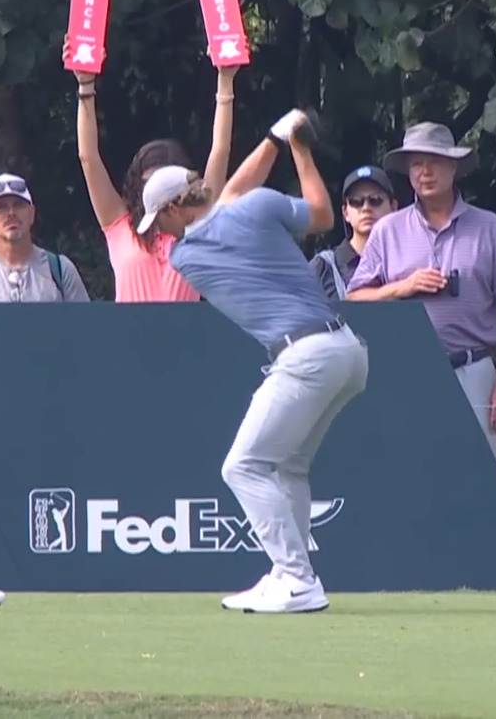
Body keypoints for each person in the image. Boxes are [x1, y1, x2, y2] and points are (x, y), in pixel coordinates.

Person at [142, 109, 368, 614]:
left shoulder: (188, 255)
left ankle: (296, 577)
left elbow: (227, 203)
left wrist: (276, 142)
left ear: (177, 207)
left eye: (161, 218)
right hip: (347, 352)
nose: (161, 232)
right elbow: (321, 214)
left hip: (305, 356)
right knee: (287, 465)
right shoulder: (259, 207)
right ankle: (288, 573)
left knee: (242, 466)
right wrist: (291, 144)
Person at [346, 122, 496, 463]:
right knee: (409, 473)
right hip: (405, 372)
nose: (424, 172)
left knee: (478, 479)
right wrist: (404, 287)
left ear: (454, 167)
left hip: (474, 369)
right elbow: (355, 300)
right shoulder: (388, 230)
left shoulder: (489, 228)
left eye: (434, 161)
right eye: (416, 163)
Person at [68, 39, 235, 301]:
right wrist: (85, 85)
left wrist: (226, 80)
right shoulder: (119, 224)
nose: (160, 192)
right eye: (152, 182)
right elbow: (88, 157)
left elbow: (220, 151)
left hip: (183, 341)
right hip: (130, 341)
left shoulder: (196, 225)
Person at [0, 173, 89, 303]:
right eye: (1, 207)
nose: (11, 213)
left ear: (32, 213)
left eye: (18, 205)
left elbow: (86, 329)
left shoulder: (61, 270)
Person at [310, 165, 397, 300]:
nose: (366, 208)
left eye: (375, 200)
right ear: (345, 212)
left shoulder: (407, 261)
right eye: (356, 201)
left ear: (393, 207)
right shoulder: (323, 267)